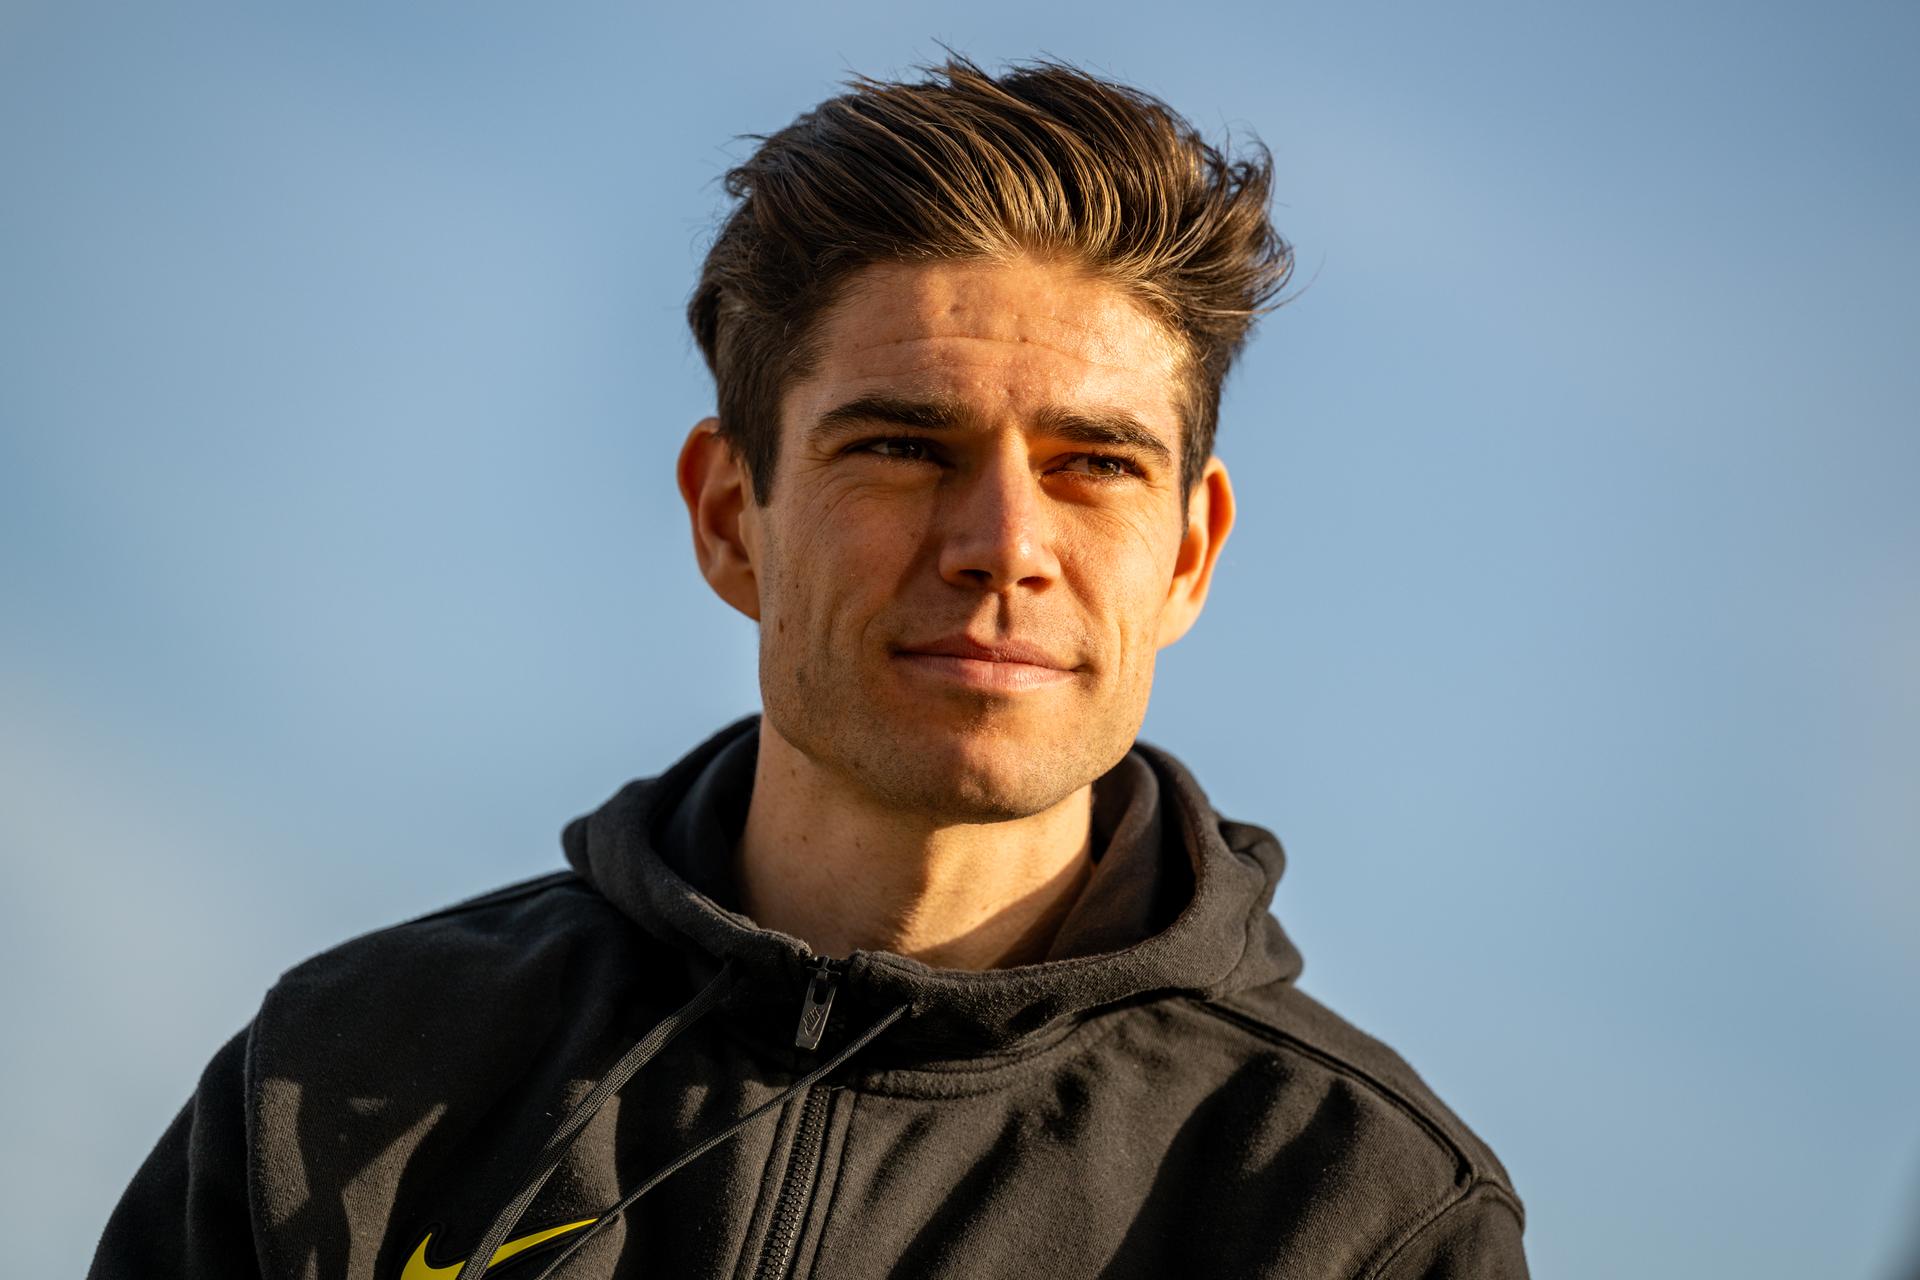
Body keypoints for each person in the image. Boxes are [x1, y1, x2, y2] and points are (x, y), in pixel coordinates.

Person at [91, 55, 1527, 1279]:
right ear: (732, 516)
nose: (1004, 545)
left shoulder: (1362, 1213)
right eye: (903, 446)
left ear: (1190, 556)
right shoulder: (350, 1076)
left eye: (1094, 464)